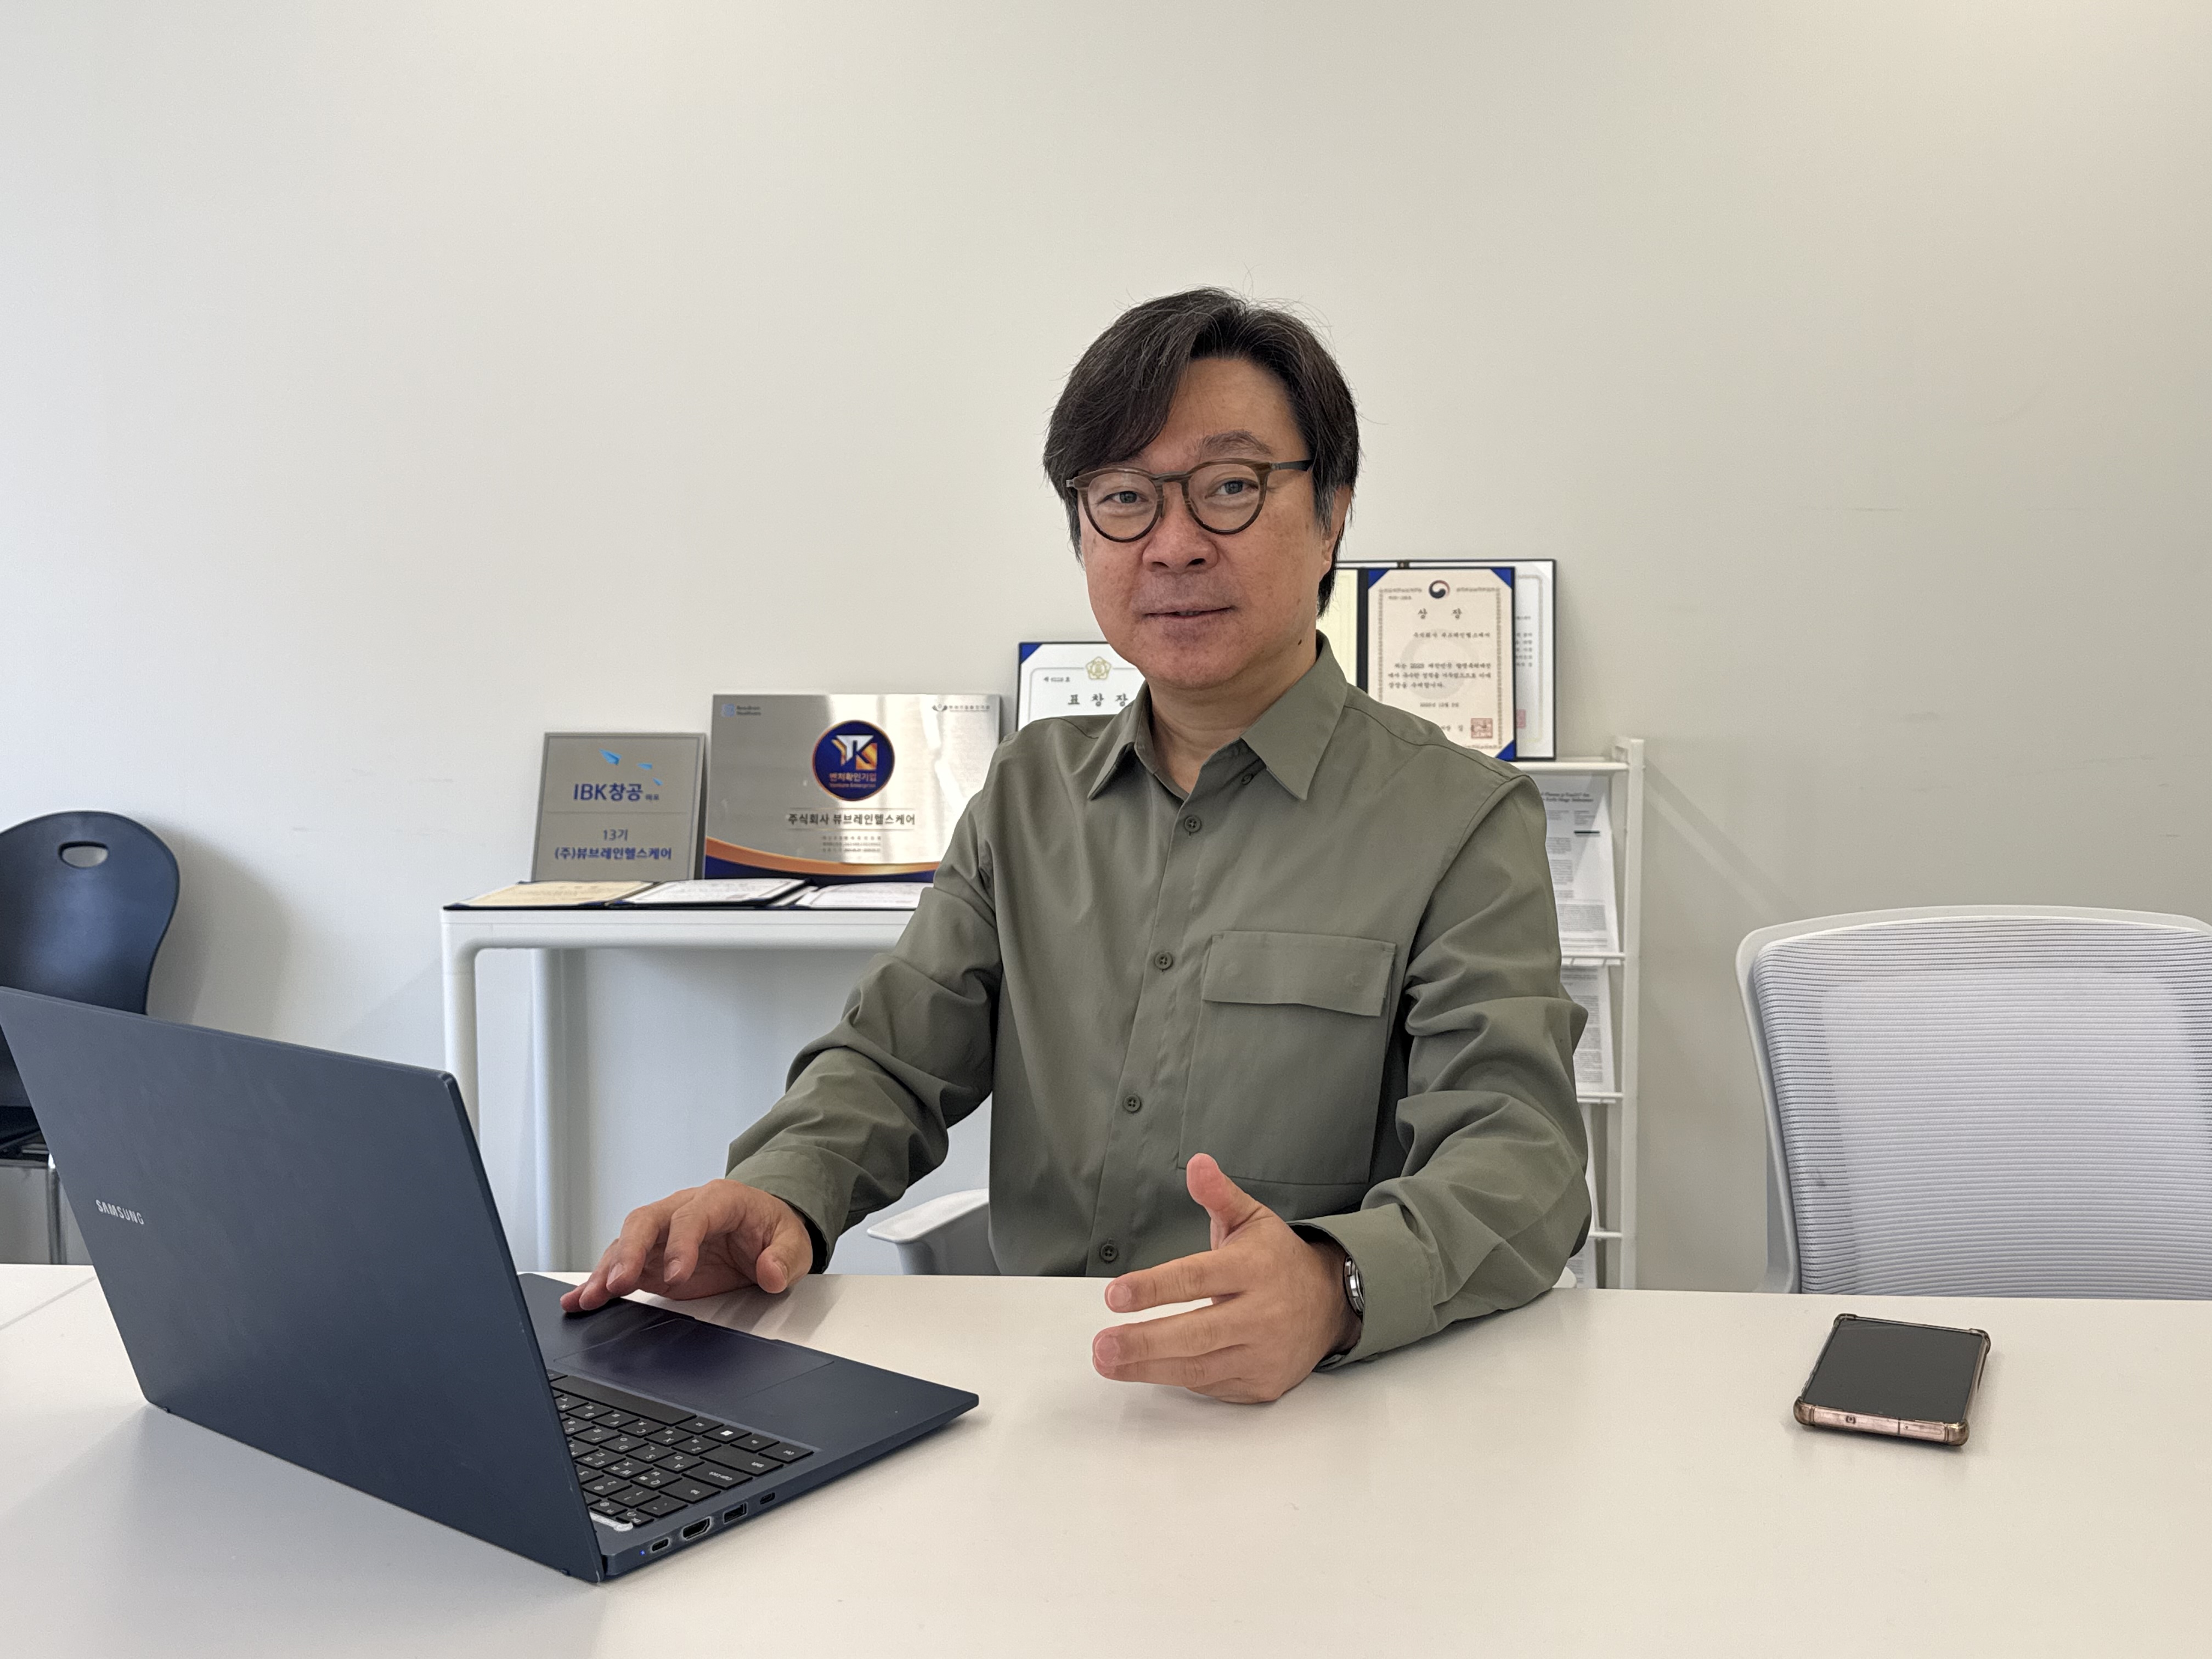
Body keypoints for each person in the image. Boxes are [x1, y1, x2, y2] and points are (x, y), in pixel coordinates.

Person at [563, 289, 1589, 1403]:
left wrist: (1336, 1282)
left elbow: (1521, 1159)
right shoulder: (1028, 792)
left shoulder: (1457, 818)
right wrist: (779, 1193)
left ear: (1332, 514)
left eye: (1231, 488)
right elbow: (891, 1061)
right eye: (1125, 499)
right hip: (1045, 1399)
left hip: (1317, 1408)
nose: (1175, 545)